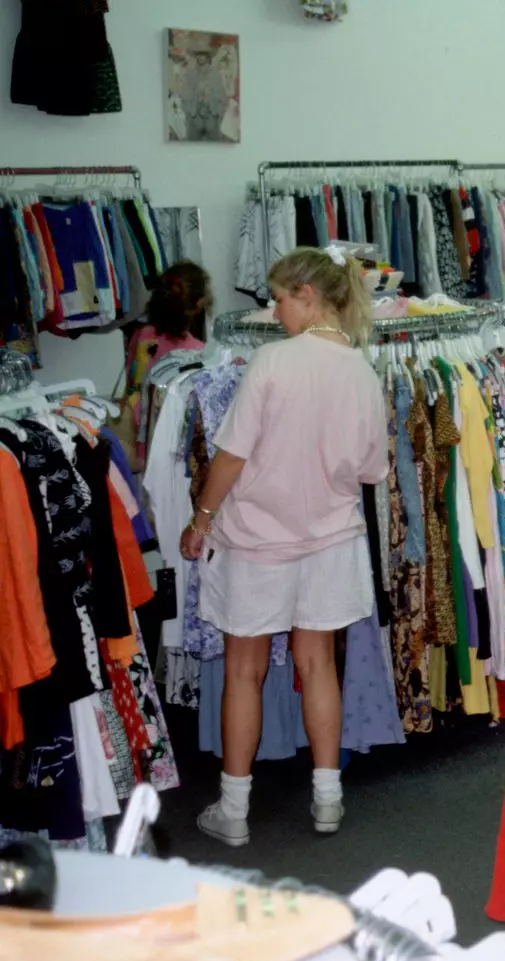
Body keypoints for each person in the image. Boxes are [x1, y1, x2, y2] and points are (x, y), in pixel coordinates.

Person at [181, 246, 388, 847]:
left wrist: (200, 518)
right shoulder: (362, 370)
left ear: (307, 295)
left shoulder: (272, 362)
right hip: (330, 539)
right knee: (317, 663)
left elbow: (232, 453)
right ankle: (328, 801)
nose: (273, 313)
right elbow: (373, 470)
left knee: (243, 671)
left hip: (256, 540)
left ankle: (234, 810)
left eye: (277, 299)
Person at [122, 261, 211, 451]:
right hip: (174, 446)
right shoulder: (198, 352)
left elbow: (133, 387)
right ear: (199, 304)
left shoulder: (142, 337)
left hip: (139, 438)